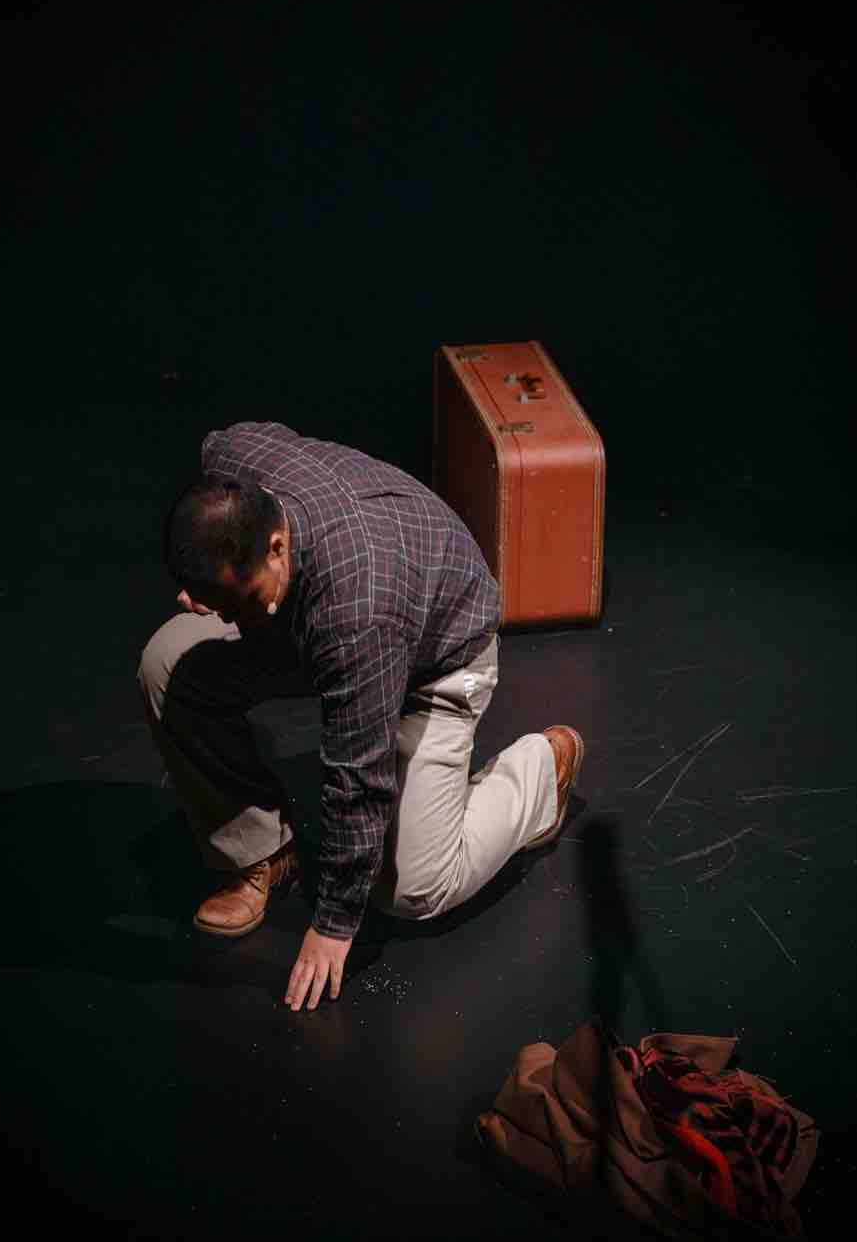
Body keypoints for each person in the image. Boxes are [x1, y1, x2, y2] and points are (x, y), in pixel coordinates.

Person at [138, 421, 584, 1012]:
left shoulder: (358, 616)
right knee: (166, 663)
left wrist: (333, 922)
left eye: (231, 597)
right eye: (201, 594)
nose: (202, 609)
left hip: (437, 660)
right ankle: (261, 851)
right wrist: (230, 600)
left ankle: (539, 773)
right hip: (314, 618)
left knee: (413, 887)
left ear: (277, 547)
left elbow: (359, 776)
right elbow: (227, 442)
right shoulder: (234, 459)